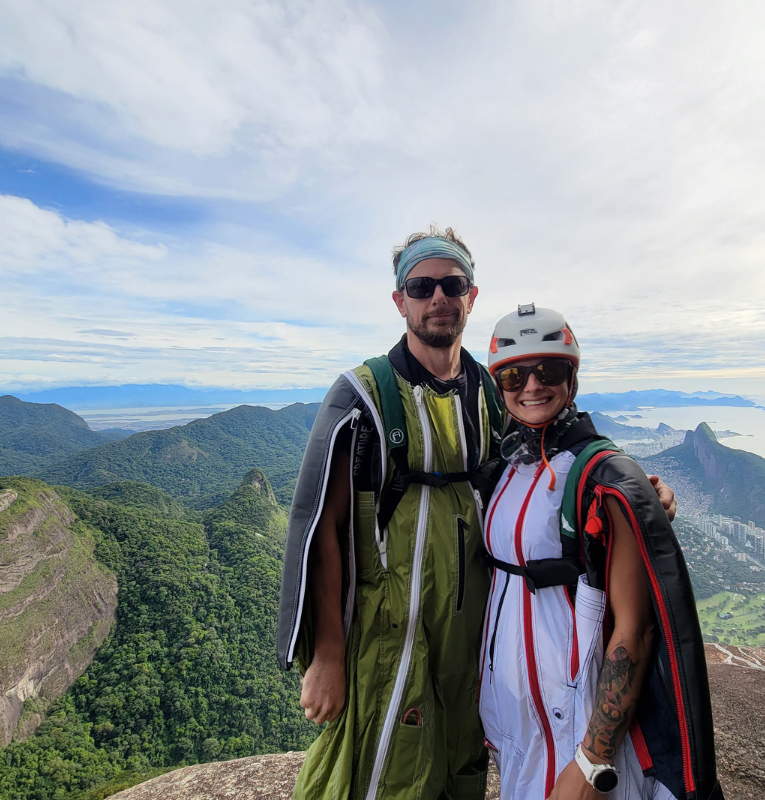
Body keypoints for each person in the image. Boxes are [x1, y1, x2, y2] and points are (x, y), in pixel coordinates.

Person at [275, 228, 679, 800]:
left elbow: (551, 447)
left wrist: (633, 493)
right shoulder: (365, 395)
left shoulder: (491, 391)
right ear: (400, 300)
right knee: (380, 769)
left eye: (451, 283)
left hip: (474, 633)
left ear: (471, 295)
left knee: (460, 765)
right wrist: (327, 654)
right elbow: (321, 525)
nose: (437, 296)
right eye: (421, 285)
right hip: (391, 628)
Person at [478, 305, 723, 800]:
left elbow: (636, 627)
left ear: (572, 376)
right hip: (518, 728)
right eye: (513, 376)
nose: (531, 386)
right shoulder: (505, 463)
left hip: (573, 726)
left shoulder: (601, 474)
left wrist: (594, 758)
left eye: (548, 371)